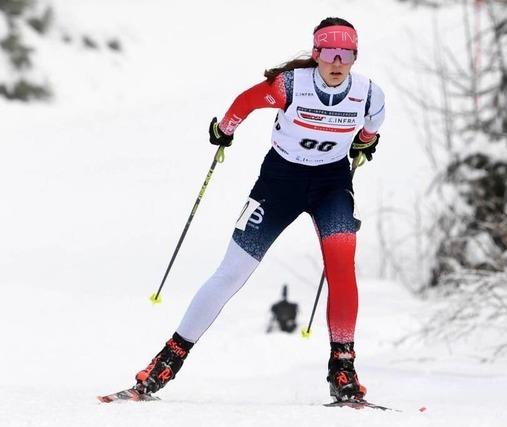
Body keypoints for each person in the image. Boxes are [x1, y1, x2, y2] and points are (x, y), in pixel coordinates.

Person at [134, 17, 385, 402]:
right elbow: (245, 102)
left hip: (331, 185)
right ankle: (169, 358)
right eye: (329, 53)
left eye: (346, 54)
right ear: (316, 54)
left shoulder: (369, 94)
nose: (337, 62)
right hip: (279, 183)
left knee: (341, 264)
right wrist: (225, 130)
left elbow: (371, 130)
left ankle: (343, 368)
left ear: (355, 57)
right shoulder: (290, 85)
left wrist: (364, 144)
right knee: (232, 272)